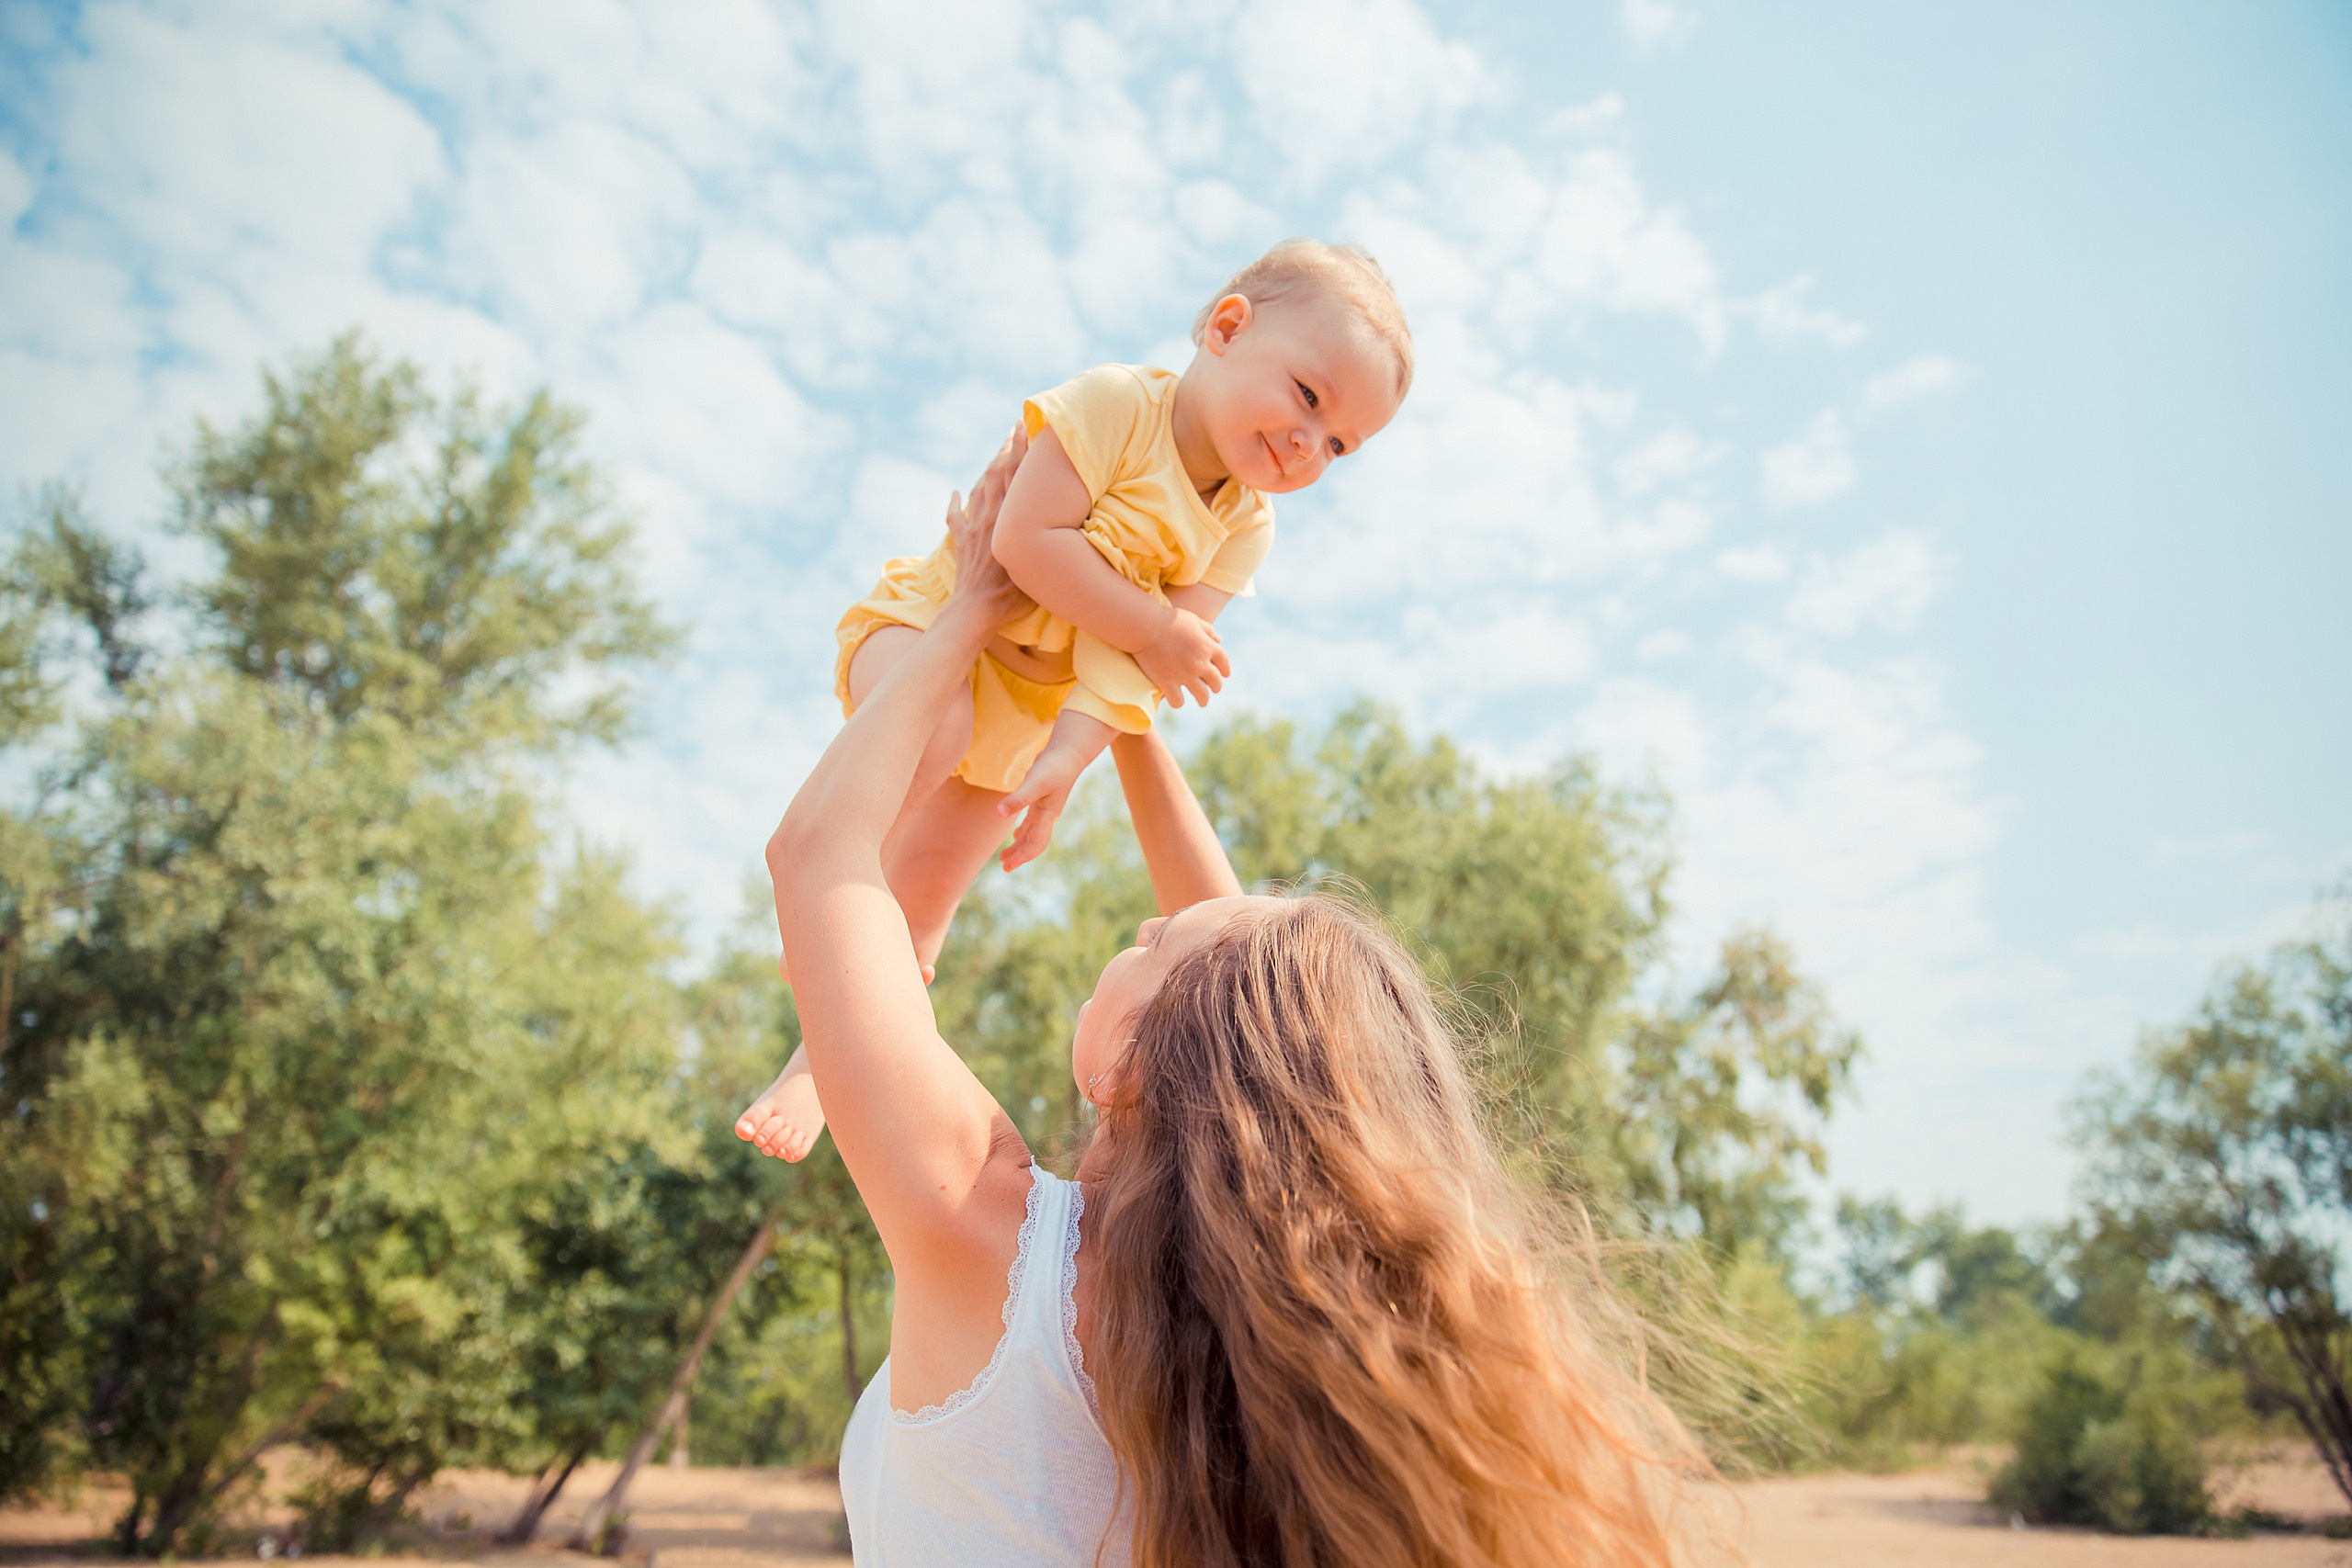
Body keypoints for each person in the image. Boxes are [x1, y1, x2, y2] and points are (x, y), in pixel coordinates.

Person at [742, 441, 1706, 1565]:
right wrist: (1120, 698)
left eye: (1147, 942)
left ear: (1126, 1064)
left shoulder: (987, 1237)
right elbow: (1250, 1007)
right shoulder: (1274, 1347)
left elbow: (819, 856)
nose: (1140, 928)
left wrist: (970, 611)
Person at [742, 240, 1414, 1162]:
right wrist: (1153, 625)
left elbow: (1133, 675)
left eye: (1340, 443)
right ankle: (826, 904)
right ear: (1225, 329)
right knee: (935, 734)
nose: (1311, 445)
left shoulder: (1243, 531)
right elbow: (1024, 540)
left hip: (1032, 706)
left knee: (930, 901)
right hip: (939, 624)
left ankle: (813, 1061)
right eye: (1307, 396)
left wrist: (1064, 758)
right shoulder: (1115, 408)